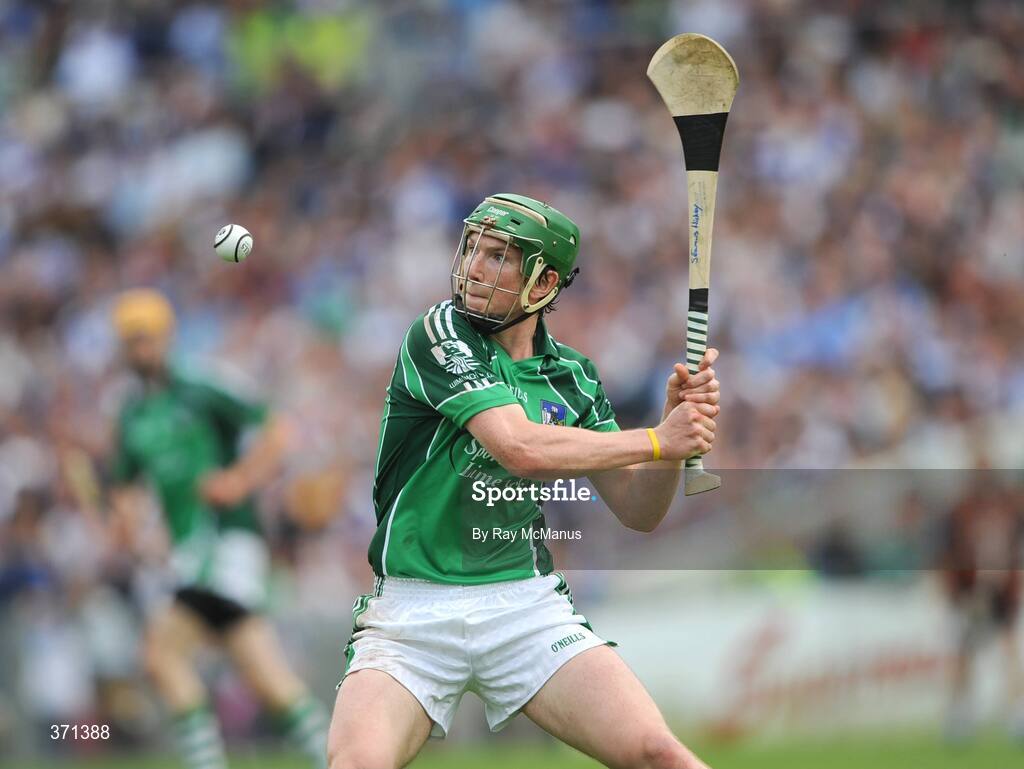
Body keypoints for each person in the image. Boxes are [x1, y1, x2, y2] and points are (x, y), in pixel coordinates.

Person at [328, 194, 720, 769]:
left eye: (498, 256)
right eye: (472, 249)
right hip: (413, 612)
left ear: (544, 282)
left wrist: (666, 438)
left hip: (524, 606)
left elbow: (638, 510)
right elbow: (519, 448)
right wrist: (659, 440)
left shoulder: (573, 378)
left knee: (659, 754)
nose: (473, 268)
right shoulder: (439, 334)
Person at [108, 289, 328, 769]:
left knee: (161, 654)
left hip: (224, 541)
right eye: (130, 340)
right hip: (189, 549)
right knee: (267, 677)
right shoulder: (131, 413)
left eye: (146, 338)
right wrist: (126, 524)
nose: (139, 349)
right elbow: (125, 487)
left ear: (167, 337)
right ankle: (341, 758)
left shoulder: (203, 385)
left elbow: (277, 429)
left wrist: (239, 480)